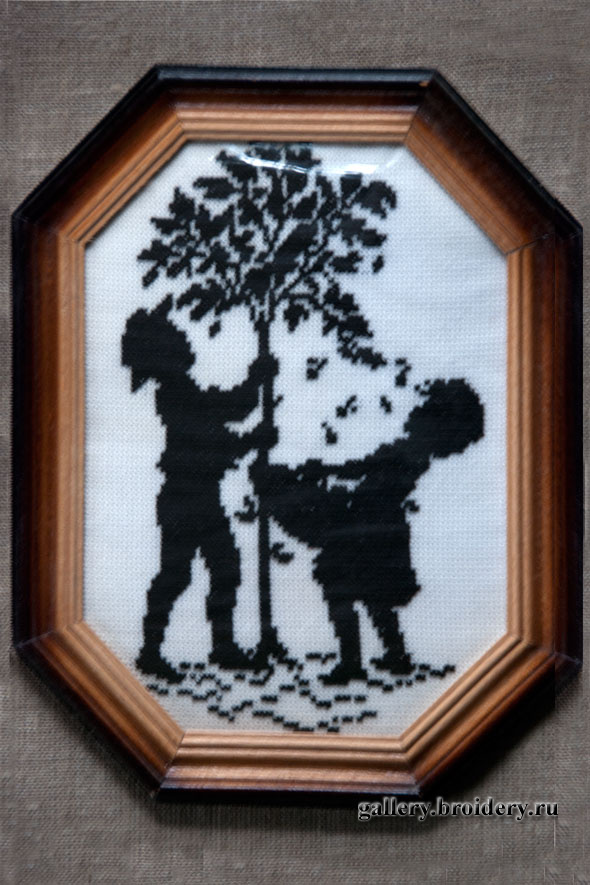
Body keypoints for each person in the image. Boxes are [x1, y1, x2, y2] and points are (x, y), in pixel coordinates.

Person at [256, 378, 484, 685]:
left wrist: (320, 471)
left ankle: (353, 662)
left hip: (364, 528)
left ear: (429, 420)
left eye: (420, 409)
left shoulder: (407, 452)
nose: (412, 412)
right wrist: (326, 471)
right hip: (380, 528)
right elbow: (363, 469)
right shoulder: (413, 451)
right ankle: (395, 656)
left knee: (342, 592)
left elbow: (362, 469)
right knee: (376, 598)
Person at [122, 295, 277, 682]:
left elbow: (223, 414)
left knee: (221, 569)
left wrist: (255, 387)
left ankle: (219, 647)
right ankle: (153, 650)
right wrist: (252, 433)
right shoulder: (175, 392)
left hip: (200, 497)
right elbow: (214, 428)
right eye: (179, 339)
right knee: (180, 574)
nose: (187, 343)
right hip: (185, 498)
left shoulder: (182, 389)